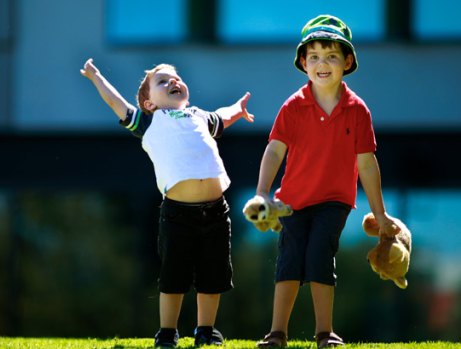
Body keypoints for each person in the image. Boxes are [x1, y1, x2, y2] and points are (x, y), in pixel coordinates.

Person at [80, 59, 253, 348]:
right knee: (174, 276)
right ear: (149, 103)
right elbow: (117, 103)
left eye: (176, 78)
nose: (173, 82)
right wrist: (96, 77)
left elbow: (221, 116)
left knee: (213, 276)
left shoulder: (198, 116)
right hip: (177, 215)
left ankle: (206, 331)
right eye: (162, 81)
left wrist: (238, 109)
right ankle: (167, 332)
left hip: (216, 211)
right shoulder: (149, 122)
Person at [252, 15, 397, 348]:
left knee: (319, 254)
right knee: (290, 260)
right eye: (314, 56)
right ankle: (277, 333)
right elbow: (274, 152)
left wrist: (382, 213)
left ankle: (324, 333)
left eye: (331, 56)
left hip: (334, 200)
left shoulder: (358, 110)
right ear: (303, 63)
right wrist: (262, 194)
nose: (322, 64)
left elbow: (367, 165)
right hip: (291, 201)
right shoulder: (292, 107)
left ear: (347, 62)